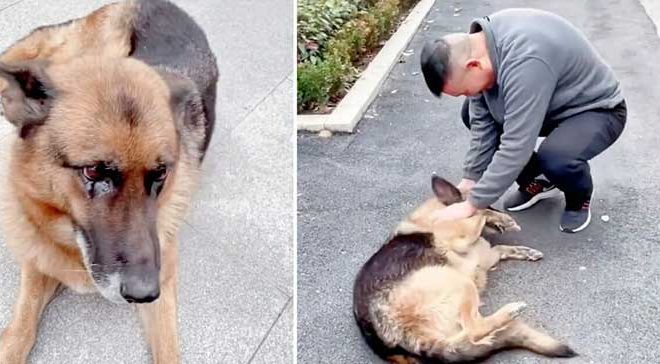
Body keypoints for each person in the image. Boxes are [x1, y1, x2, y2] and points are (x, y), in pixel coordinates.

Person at [420, 8, 626, 233]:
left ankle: (579, 199)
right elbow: (483, 121)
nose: (468, 95)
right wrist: (472, 179)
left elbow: (517, 144)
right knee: (470, 112)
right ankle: (539, 181)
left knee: (556, 157)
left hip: (595, 109)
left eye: (465, 90)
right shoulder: (481, 47)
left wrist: (471, 205)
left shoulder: (526, 60)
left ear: (473, 66)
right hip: (550, 103)